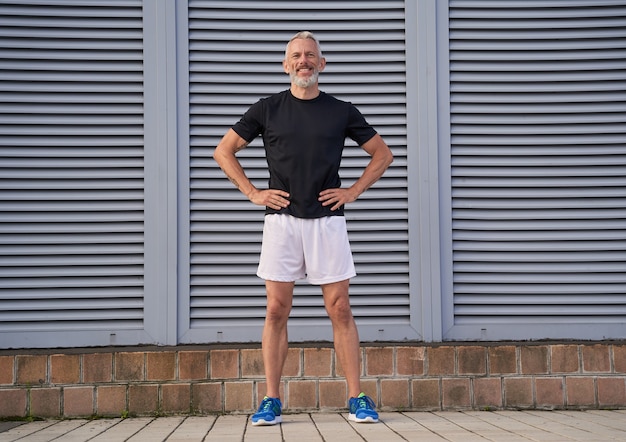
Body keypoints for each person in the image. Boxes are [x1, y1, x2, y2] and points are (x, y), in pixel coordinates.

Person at [213, 31, 393, 426]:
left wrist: (354, 191)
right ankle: (272, 400)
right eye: (296, 55)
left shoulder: (341, 110)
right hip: (282, 222)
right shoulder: (267, 109)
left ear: (322, 64)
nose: (303, 61)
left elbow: (383, 154)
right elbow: (223, 150)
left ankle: (357, 397)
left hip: (327, 222)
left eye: (310, 55)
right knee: (276, 309)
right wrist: (253, 192)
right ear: (285, 65)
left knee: (340, 308)